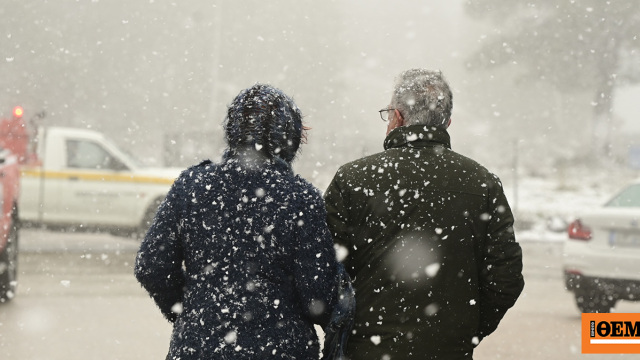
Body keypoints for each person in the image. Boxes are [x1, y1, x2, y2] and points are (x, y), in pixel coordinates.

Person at [324, 69, 524, 360]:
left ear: (399, 117)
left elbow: (322, 270)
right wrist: (465, 330)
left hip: (366, 349)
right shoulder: (482, 184)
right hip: (448, 351)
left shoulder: (353, 179)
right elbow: (505, 277)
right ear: (447, 122)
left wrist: (348, 327)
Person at [135, 84, 344, 359]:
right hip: (280, 349)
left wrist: (191, 309)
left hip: (199, 348)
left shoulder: (192, 186)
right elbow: (318, 295)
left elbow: (151, 265)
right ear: (289, 139)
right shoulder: (300, 198)